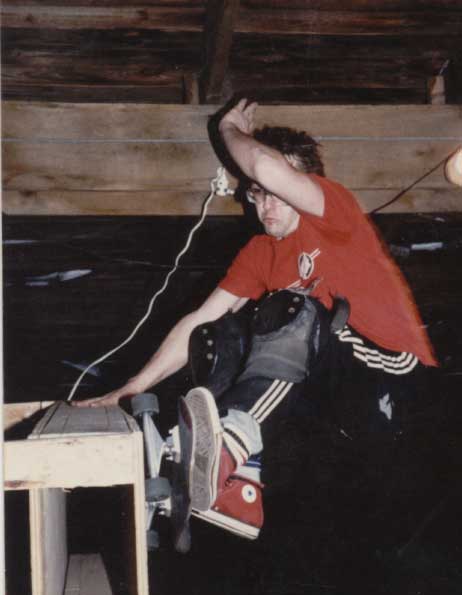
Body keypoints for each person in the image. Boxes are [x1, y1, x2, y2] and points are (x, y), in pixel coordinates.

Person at [74, 99, 437, 540]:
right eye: (257, 194)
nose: (267, 204)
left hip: (394, 381)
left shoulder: (333, 213)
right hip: (332, 412)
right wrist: (131, 389)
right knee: (219, 335)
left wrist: (229, 129)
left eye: (277, 192)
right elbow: (198, 321)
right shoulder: (259, 254)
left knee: (292, 308)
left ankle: (231, 444)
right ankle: (232, 483)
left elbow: (264, 166)